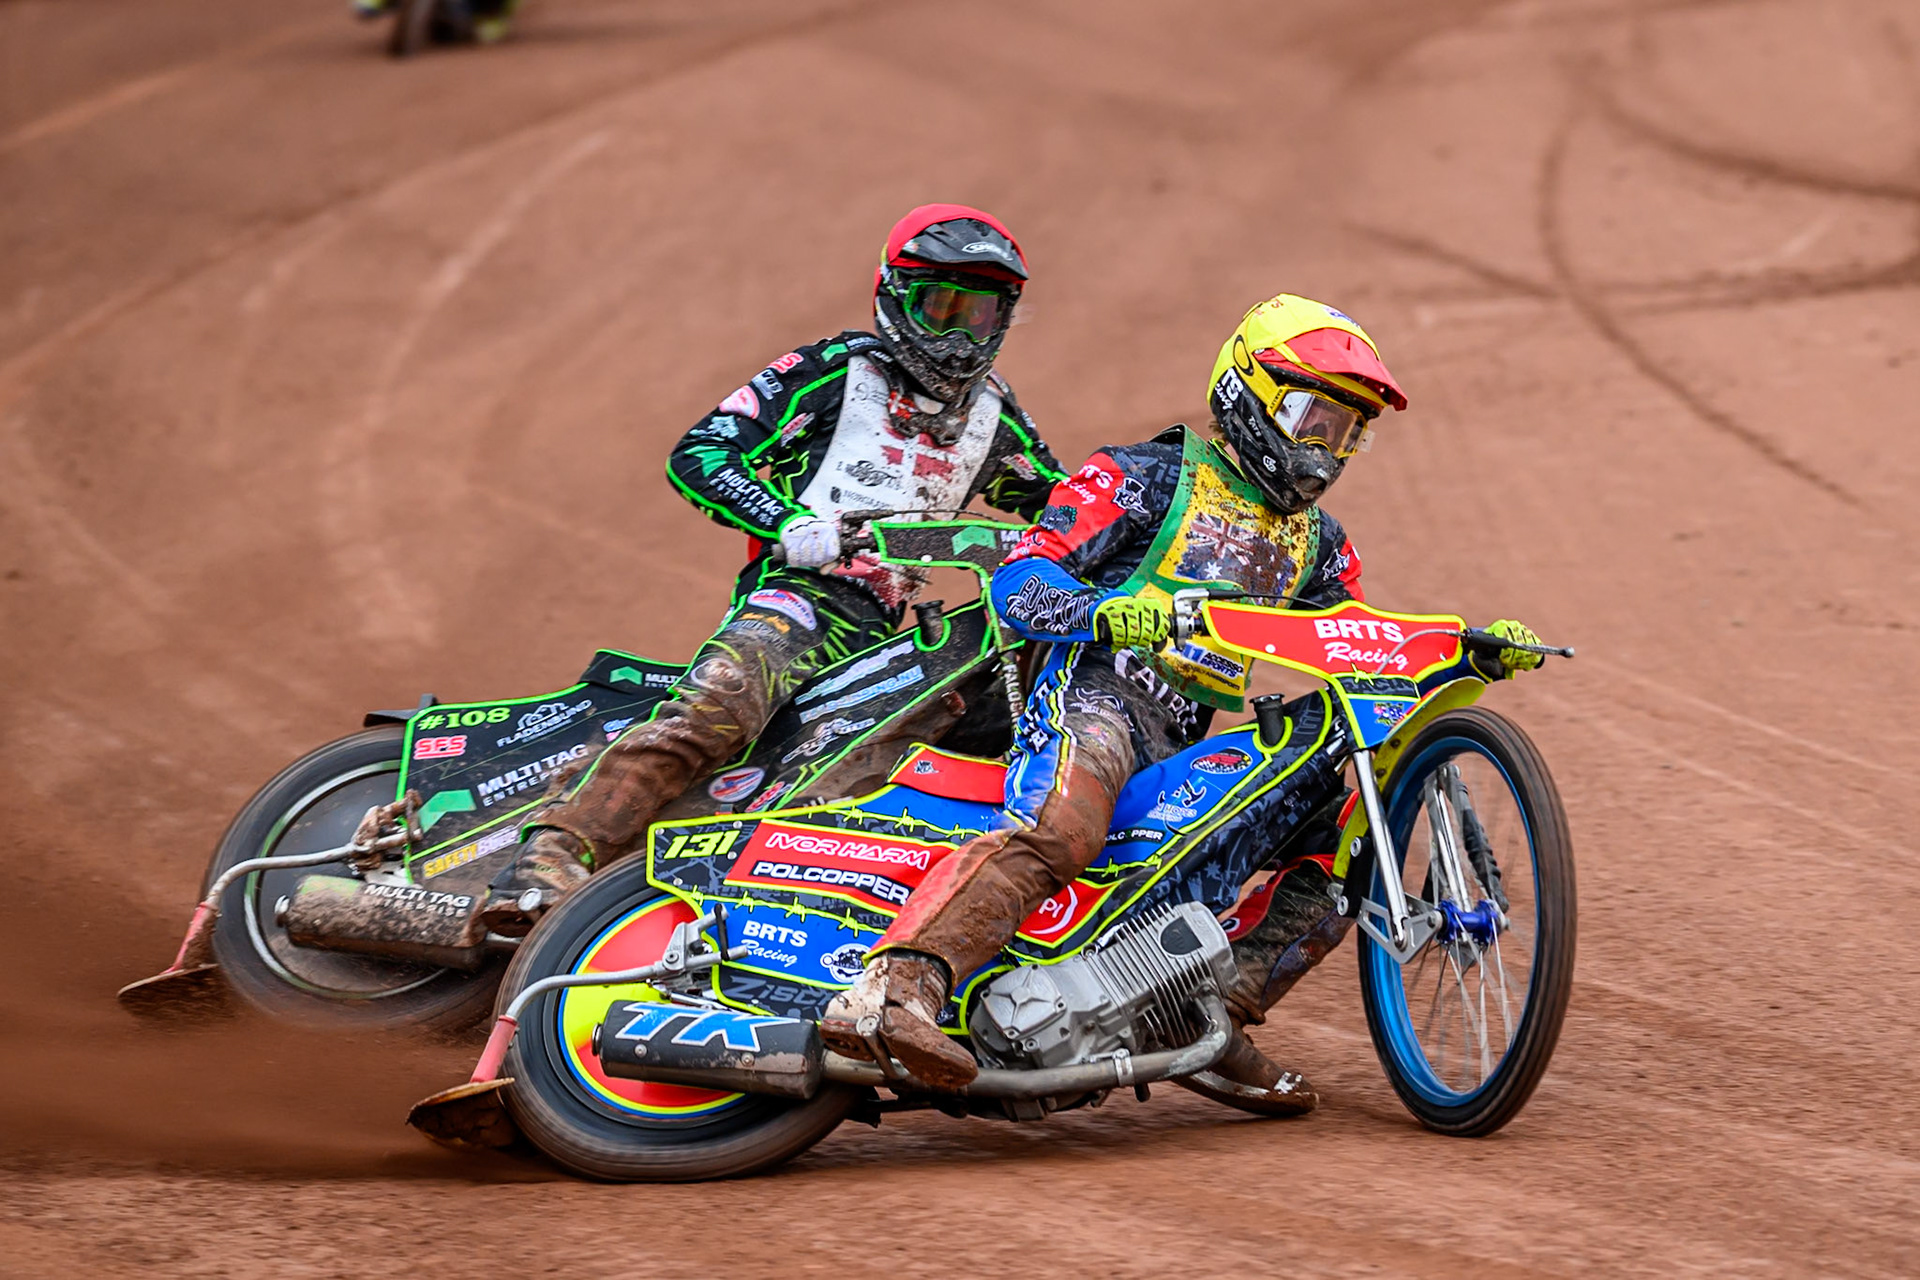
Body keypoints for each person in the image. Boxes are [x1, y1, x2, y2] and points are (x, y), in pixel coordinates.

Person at [822, 293, 1546, 1106]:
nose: (1328, 448)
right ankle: (898, 986)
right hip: (1092, 692)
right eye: (1314, 418)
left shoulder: (1320, 544)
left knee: (1349, 844)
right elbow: (1022, 579)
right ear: (1249, 395)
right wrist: (1101, 609)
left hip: (1181, 733)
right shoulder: (1143, 477)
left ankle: (1205, 1014)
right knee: (1065, 828)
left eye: (1349, 430)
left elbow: (1359, 642)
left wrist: (1462, 647)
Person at [480, 205, 1065, 934]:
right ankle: (552, 852)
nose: (955, 333)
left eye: (974, 313)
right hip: (799, 597)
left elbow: (1067, 512)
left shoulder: (995, 418)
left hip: (892, 634)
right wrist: (790, 525)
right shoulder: (832, 372)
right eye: (939, 306)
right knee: (723, 702)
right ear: (894, 295)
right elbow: (702, 453)